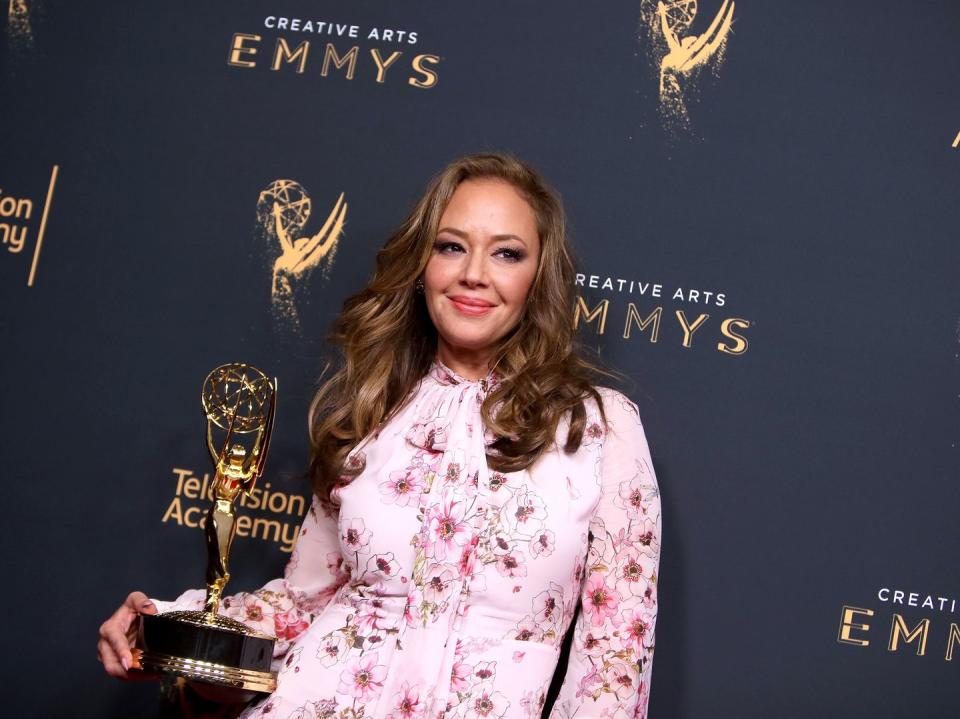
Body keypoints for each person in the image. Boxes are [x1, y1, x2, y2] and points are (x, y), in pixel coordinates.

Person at [99, 153, 662, 718]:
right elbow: (303, 601)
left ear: (539, 277)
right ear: (422, 265)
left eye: (507, 253)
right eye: (451, 246)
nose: (474, 273)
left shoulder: (600, 429)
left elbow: (615, 659)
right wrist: (167, 629)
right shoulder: (372, 412)